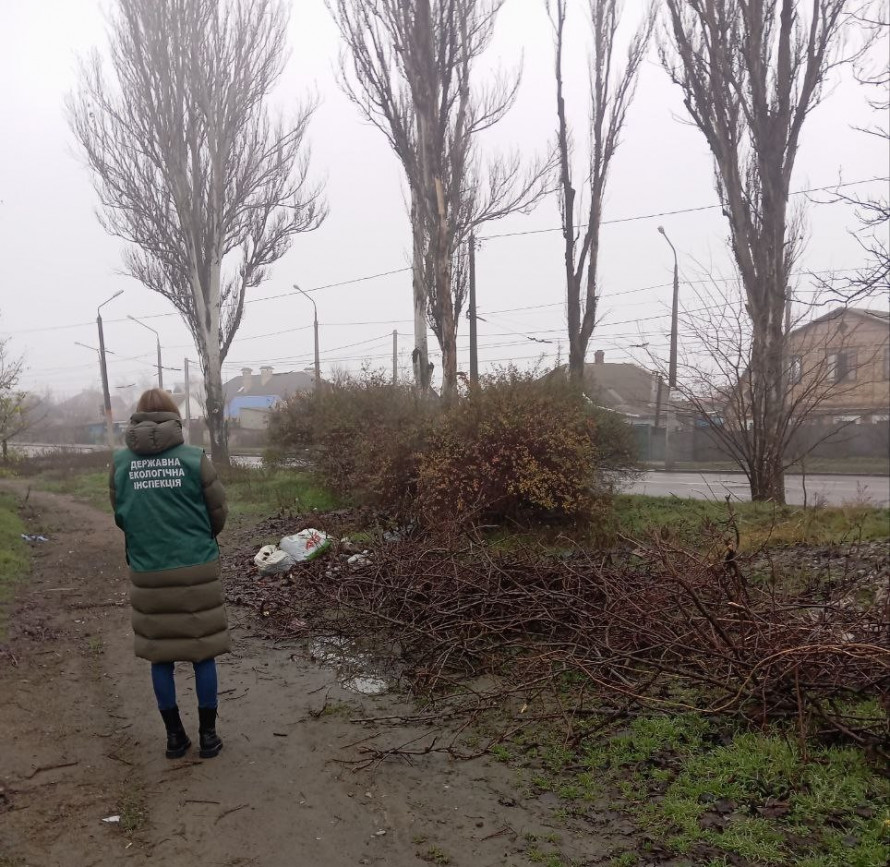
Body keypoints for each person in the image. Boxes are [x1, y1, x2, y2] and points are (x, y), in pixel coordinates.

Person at [109, 388, 230, 759]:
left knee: (160, 656)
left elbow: (121, 516)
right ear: (175, 418)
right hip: (197, 569)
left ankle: (174, 738)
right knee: (203, 653)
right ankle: (209, 738)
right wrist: (201, 538)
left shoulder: (120, 464)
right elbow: (218, 512)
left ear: (137, 420)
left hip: (149, 571)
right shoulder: (195, 460)